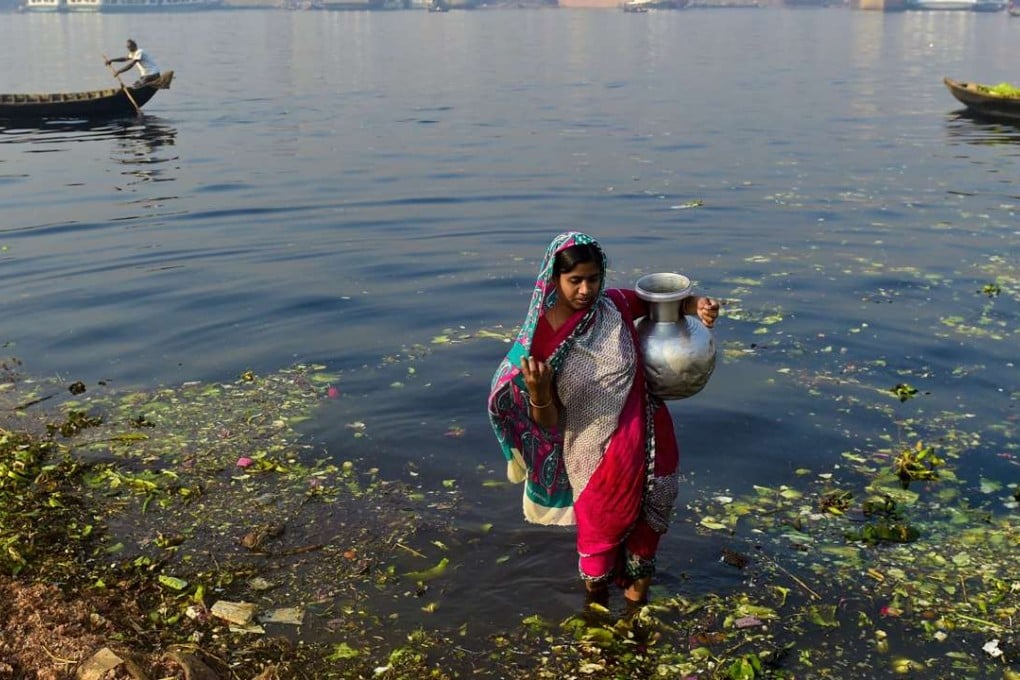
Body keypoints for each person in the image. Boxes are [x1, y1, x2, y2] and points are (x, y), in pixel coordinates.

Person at [487, 231, 719, 612]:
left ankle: (634, 612)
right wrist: (540, 393)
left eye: (593, 279)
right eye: (574, 280)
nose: (585, 290)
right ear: (553, 279)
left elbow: (660, 303)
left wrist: (697, 305)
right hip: (594, 455)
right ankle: (596, 618)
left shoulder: (614, 306)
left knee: (649, 533)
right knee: (600, 545)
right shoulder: (540, 341)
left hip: (652, 438)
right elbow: (546, 422)